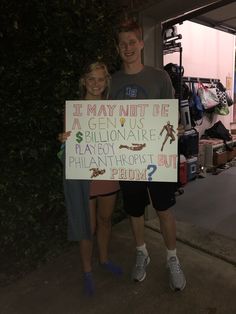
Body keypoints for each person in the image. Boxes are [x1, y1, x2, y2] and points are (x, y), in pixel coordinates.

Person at [110, 20, 186, 291]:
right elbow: (101, 120)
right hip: (127, 159)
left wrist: (176, 125)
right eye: (122, 43)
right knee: (134, 211)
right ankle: (142, 252)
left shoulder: (160, 77)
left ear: (141, 43)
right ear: (117, 48)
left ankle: (172, 258)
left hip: (157, 158)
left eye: (132, 42)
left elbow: (172, 114)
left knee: (163, 209)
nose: (127, 47)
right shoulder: (112, 82)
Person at [58, 62, 122, 296]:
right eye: (91, 79)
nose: (96, 84)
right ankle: (87, 271)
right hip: (85, 177)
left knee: (105, 221)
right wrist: (64, 142)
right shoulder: (74, 111)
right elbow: (68, 151)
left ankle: (104, 260)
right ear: (84, 81)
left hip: (108, 175)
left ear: (106, 82)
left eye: (101, 79)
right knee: (88, 226)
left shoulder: (114, 109)